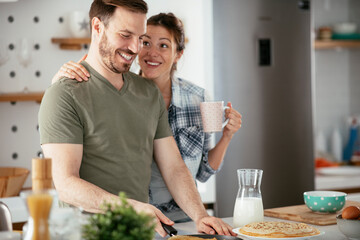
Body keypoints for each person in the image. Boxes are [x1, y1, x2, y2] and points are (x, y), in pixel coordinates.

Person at [39, 0, 236, 237]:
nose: (134, 48)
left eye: (140, 37)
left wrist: (200, 216)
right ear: (97, 27)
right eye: (125, 35)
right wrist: (131, 208)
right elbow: (65, 184)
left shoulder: (148, 93)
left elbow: (174, 167)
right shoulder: (64, 93)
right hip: (86, 233)